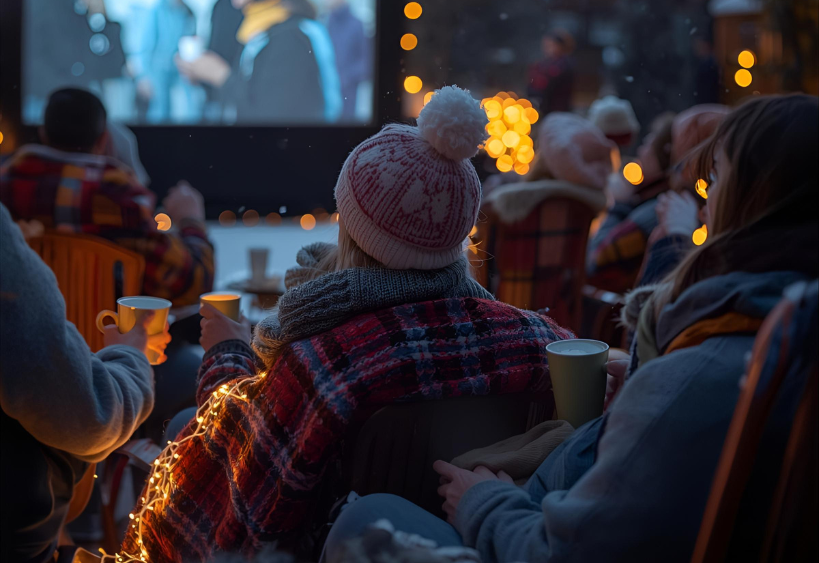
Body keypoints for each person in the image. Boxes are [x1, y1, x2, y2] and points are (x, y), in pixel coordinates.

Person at [322, 94, 819, 563]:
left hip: (520, 527)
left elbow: (561, 552)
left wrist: (485, 502)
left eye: (718, 177)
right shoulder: (763, 341)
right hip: (551, 500)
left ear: (756, 202)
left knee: (364, 515)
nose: (703, 198)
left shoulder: (695, 377)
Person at [119, 86, 574, 562]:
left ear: (351, 227)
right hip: (458, 536)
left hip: (331, 542)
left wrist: (225, 354)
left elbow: (243, 462)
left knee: (184, 428)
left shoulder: (324, 363)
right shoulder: (537, 341)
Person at [0, 203, 167, 563]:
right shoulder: (125, 197)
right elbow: (91, 415)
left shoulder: (14, 183)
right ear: (105, 142)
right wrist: (132, 357)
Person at [0, 88, 214, 307]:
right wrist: (191, 220)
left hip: (23, 336)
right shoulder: (118, 197)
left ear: (43, 133)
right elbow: (191, 283)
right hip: (108, 337)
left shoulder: (6, 184)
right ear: (103, 139)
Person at [586, 104, 728, 293]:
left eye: (648, 143)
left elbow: (596, 266)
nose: (641, 151)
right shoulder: (692, 207)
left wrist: (619, 205)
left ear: (667, 153)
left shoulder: (662, 211)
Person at [176, 0, 341, 123]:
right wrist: (203, 75)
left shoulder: (290, 39)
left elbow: (276, 120)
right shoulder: (264, 29)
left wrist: (223, 78)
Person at [324, 0, 371, 121]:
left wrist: (347, 77)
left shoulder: (356, 24)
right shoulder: (326, 23)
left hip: (348, 92)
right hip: (327, 91)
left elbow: (365, 59)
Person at [527, 30, 575, 115]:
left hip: (558, 110)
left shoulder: (564, 64)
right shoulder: (544, 64)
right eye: (545, 46)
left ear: (560, 46)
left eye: (550, 45)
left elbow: (550, 86)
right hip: (545, 108)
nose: (546, 49)